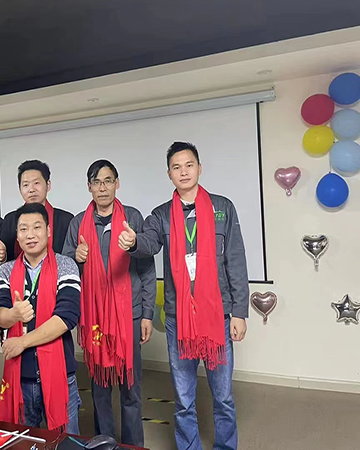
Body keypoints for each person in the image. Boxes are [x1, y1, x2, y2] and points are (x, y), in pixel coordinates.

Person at [119, 142, 249, 450]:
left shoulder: (222, 208)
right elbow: (149, 243)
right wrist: (134, 241)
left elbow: (235, 259)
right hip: (179, 319)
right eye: (176, 167)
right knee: (184, 398)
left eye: (189, 165)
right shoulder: (161, 215)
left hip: (219, 314)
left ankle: (225, 446)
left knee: (223, 396)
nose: (184, 172)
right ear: (169, 174)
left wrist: (240, 312)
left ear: (199, 168)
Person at [62, 160, 155, 447]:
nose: (102, 187)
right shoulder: (78, 223)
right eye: (96, 182)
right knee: (100, 387)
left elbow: (147, 267)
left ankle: (132, 444)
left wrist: (147, 314)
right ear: (89, 187)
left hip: (129, 314)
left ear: (117, 183)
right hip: (94, 316)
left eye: (108, 180)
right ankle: (105, 443)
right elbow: (64, 269)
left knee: (130, 387)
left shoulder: (133, 217)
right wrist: (76, 257)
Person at [0, 203, 81, 434]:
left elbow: (67, 317)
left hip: (60, 374)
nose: (30, 234)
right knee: (21, 441)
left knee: (65, 441)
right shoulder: (5, 271)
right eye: (23, 229)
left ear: (49, 231)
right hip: (19, 377)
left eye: (37, 227)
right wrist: (13, 314)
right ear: (17, 236)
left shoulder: (66, 265)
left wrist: (23, 342)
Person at [0, 160, 73, 261]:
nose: (31, 190)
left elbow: (70, 256)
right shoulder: (10, 220)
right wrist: (2, 257)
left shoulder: (66, 220)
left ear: (48, 185)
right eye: (26, 185)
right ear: (20, 189)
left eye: (36, 183)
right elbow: (7, 259)